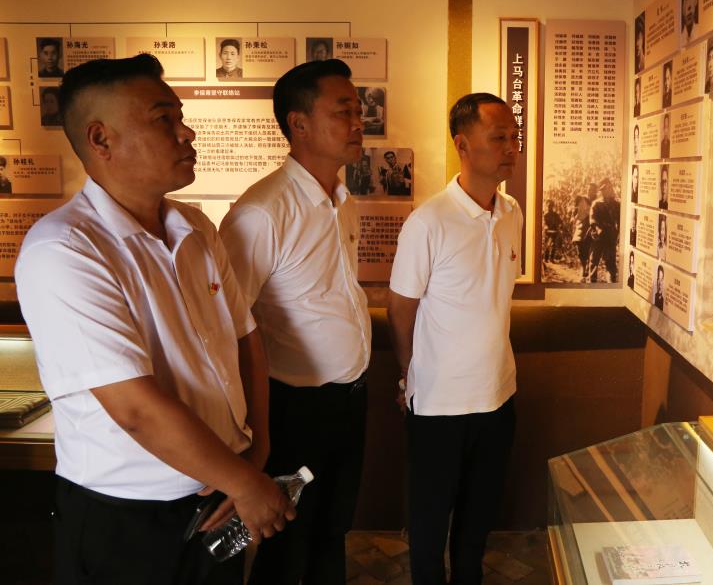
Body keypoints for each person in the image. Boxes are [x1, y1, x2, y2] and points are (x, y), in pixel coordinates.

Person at [14, 54, 293, 585]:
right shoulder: (65, 249)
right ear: (101, 139)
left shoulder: (194, 226)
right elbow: (135, 408)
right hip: (129, 516)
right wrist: (245, 482)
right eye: (163, 119)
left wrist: (255, 452)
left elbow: (245, 337)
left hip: (217, 492)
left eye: (180, 116)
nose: (187, 133)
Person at [220, 59, 371, 585]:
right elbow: (229, 327)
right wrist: (254, 435)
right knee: (287, 544)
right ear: (299, 123)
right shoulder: (262, 213)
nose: (358, 122)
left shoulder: (342, 202)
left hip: (348, 398)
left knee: (333, 529)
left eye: (358, 110)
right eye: (343, 111)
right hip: (291, 410)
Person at [388, 93, 521, 585]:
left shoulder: (511, 212)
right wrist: (409, 375)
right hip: (440, 403)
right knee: (429, 523)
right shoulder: (429, 221)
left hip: (499, 394)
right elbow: (400, 308)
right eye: (498, 137)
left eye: (514, 136)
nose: (511, 147)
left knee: (477, 520)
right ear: (462, 145)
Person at [589, 178, 620, 283]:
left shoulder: (616, 205)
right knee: (594, 261)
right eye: (604, 189)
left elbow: (620, 220)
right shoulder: (596, 204)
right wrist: (597, 229)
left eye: (608, 188)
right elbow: (592, 219)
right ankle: (592, 283)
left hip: (610, 237)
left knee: (610, 264)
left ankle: (611, 284)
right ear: (601, 191)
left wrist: (617, 234)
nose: (606, 191)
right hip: (599, 236)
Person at [571, 193, 592, 281]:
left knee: (587, 253)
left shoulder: (590, 213)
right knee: (580, 254)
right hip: (579, 236)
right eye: (580, 203)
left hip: (587, 236)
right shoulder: (576, 212)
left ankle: (586, 270)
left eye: (584, 203)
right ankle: (584, 269)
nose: (582, 205)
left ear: (587, 204)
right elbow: (573, 221)